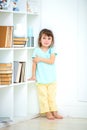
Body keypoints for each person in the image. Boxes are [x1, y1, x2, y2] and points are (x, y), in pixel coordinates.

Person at [29, 28, 63, 120]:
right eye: (44, 38)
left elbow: (51, 61)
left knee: (52, 97)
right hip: (41, 80)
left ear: (52, 40)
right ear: (40, 39)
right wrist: (33, 75)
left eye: (49, 38)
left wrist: (40, 59)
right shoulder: (36, 50)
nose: (46, 40)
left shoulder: (52, 50)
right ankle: (47, 112)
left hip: (51, 79)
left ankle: (54, 111)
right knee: (43, 97)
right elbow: (34, 64)